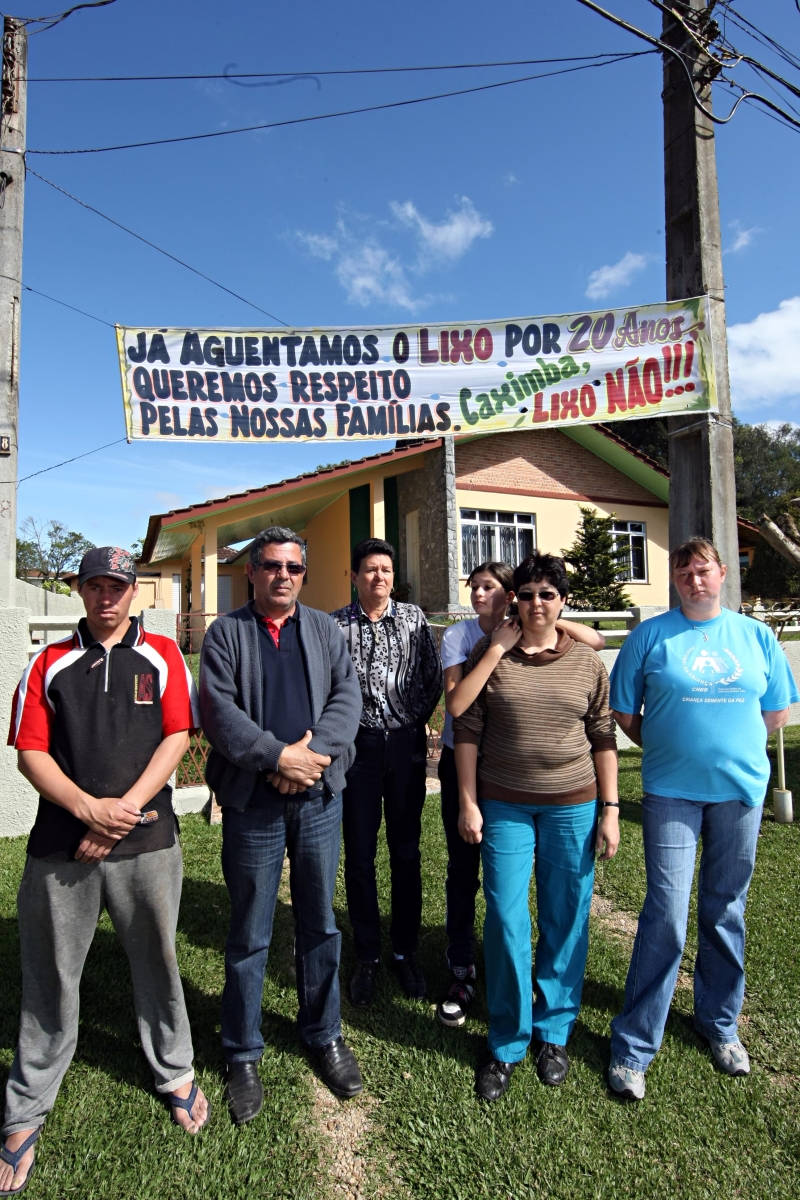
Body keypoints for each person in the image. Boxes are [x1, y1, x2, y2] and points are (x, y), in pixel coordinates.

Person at [1, 547, 208, 1197]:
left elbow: (179, 735)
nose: (107, 595)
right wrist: (88, 810)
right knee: (50, 976)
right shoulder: (48, 662)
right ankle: (25, 1106)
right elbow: (29, 752)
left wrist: (124, 810)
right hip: (63, 846)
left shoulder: (165, 656)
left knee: (157, 961)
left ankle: (174, 1070)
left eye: (117, 584)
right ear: (79, 590)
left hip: (148, 843)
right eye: (95, 584)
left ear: (132, 591)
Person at [607, 537, 799, 1102]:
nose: (695, 579)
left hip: (739, 793)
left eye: (704, 570)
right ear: (675, 578)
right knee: (666, 911)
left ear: (722, 575)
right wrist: (674, 746)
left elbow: (776, 710)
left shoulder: (756, 636)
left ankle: (719, 1025)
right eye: (684, 570)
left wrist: (728, 751)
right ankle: (634, 1044)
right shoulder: (650, 636)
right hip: (670, 792)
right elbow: (624, 712)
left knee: (725, 909)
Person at [200, 526, 364, 1124]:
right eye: (272, 566)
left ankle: (323, 1033)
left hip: (319, 795)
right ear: (252, 571)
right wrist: (276, 757)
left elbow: (348, 697)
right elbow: (219, 714)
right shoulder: (226, 634)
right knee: (250, 929)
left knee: (320, 923)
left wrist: (310, 756)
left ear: (304, 571)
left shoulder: (325, 630)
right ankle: (242, 1050)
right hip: (254, 801)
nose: (284, 576)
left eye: (294, 567)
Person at [454, 552, 619, 1100]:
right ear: (515, 601)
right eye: (527, 594)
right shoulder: (491, 652)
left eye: (548, 594)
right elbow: (467, 728)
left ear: (562, 602)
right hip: (504, 804)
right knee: (504, 917)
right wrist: (468, 802)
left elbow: (602, 736)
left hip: (573, 804)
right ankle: (506, 1040)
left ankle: (554, 1032)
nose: (537, 604)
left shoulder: (588, 664)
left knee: (565, 915)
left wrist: (611, 809)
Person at [331, 538, 443, 1007]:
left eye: (387, 569)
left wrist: (413, 720)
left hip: (404, 744)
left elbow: (431, 676)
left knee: (406, 849)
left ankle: (405, 949)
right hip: (357, 748)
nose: (379, 577)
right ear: (354, 577)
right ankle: (368, 953)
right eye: (370, 569)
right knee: (358, 853)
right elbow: (329, 685)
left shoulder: (414, 619)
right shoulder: (335, 625)